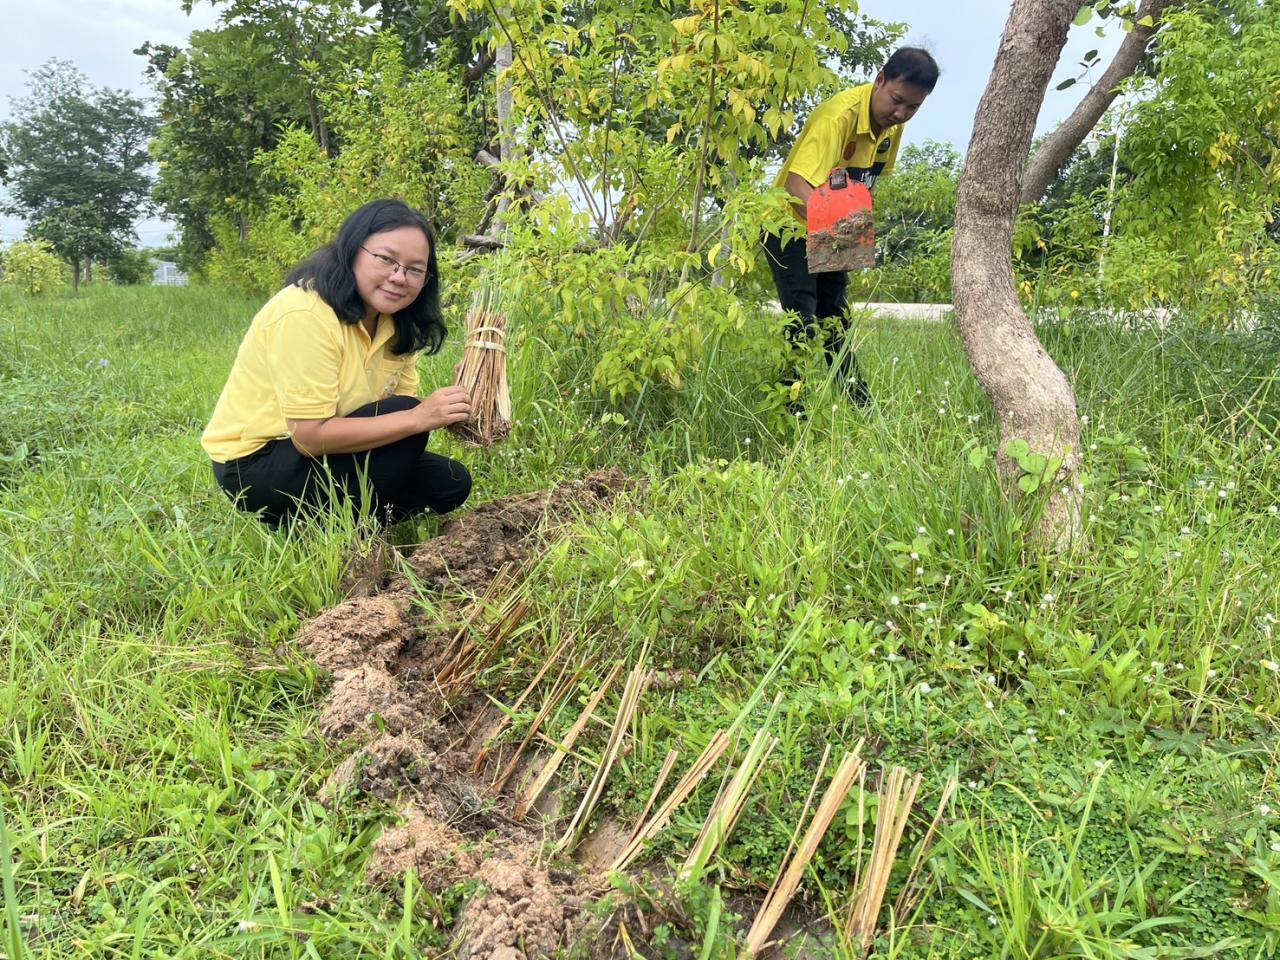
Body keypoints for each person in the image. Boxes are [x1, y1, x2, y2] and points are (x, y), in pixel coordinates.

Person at [202, 198, 473, 527]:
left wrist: (454, 398)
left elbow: (388, 411)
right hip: (257, 463)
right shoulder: (305, 313)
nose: (399, 277)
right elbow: (309, 437)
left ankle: (339, 518)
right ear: (352, 251)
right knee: (408, 423)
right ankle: (328, 531)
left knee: (450, 481)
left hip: (328, 450)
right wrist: (419, 417)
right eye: (386, 259)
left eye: (415, 269)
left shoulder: (397, 322)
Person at [764, 47, 939, 406]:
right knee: (802, 321)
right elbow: (795, 185)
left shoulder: (892, 127)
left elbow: (864, 186)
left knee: (837, 322)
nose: (901, 113)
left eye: (913, 108)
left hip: (831, 229)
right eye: (896, 100)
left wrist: (849, 240)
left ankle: (861, 407)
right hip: (788, 225)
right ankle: (790, 412)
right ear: (879, 80)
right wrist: (839, 235)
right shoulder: (836, 118)